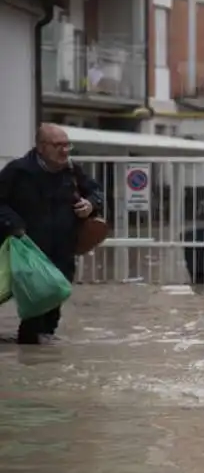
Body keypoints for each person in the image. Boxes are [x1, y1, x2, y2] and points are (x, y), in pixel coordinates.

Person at [0, 124, 104, 345]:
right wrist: (14, 225)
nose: (65, 150)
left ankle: (42, 342)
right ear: (41, 147)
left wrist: (91, 204)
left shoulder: (73, 170)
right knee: (38, 295)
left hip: (63, 247)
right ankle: (31, 344)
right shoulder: (18, 171)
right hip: (29, 249)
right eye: (58, 145)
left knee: (57, 292)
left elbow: (96, 191)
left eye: (67, 145)